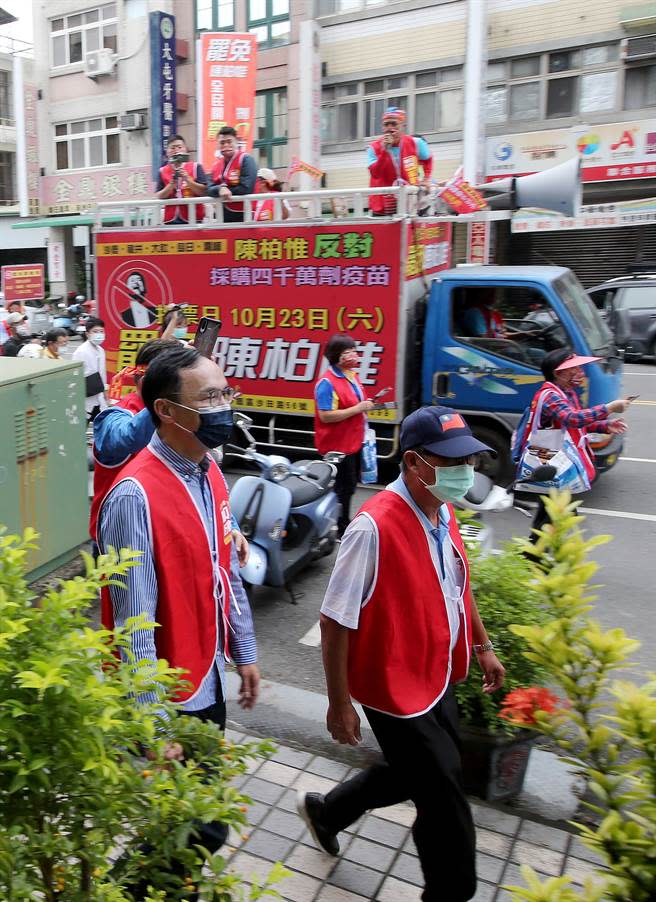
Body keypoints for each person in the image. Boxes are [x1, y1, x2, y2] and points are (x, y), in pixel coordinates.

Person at [298, 405, 505, 902]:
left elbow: (459, 583)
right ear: (412, 462)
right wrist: (339, 703)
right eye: (453, 461)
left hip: (436, 673)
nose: (466, 472)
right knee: (446, 803)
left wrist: (481, 644)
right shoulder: (373, 528)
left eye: (471, 461)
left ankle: (329, 811)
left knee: (425, 771)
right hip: (394, 690)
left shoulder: (442, 508)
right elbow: (335, 620)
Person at [97, 347, 259, 859]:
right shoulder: (133, 495)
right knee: (195, 832)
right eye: (209, 397)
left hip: (207, 675)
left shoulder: (208, 469)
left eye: (226, 392)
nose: (224, 406)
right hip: (170, 699)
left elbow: (224, 569)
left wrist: (245, 650)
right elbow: (134, 625)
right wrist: (152, 727)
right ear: (166, 411)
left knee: (189, 830)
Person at [518, 348, 632, 541]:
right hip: (550, 463)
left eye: (580, 368)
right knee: (555, 516)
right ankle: (538, 558)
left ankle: (538, 557)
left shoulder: (567, 392)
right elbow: (571, 419)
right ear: (558, 373)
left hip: (557, 464)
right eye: (575, 369)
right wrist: (609, 408)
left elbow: (576, 425)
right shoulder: (550, 395)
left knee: (552, 517)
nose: (581, 373)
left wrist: (606, 426)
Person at [314, 334, 374, 537]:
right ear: (335, 356)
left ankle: (343, 521)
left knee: (349, 485)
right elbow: (325, 416)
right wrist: (358, 408)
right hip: (337, 446)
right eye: (347, 352)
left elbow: (357, 403)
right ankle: (340, 527)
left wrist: (364, 406)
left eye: (353, 351)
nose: (353, 355)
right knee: (342, 488)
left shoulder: (351, 375)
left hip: (354, 441)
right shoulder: (327, 382)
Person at [367, 107, 433, 215]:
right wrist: (384, 152)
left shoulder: (416, 143)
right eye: (386, 124)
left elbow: (428, 158)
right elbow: (375, 174)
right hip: (383, 205)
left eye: (394, 124)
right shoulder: (373, 148)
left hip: (410, 202)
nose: (390, 128)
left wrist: (426, 178)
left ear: (403, 126)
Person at [155, 134, 208, 225]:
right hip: (171, 219)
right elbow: (159, 195)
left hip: (194, 218)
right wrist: (171, 184)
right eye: (172, 148)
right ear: (167, 152)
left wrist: (187, 179)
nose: (176, 150)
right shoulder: (162, 171)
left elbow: (203, 192)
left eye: (179, 147)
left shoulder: (196, 167)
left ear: (185, 149)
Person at [207, 126, 257, 223]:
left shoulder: (246, 159)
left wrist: (226, 190)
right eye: (222, 143)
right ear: (218, 145)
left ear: (236, 142)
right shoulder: (216, 165)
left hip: (243, 214)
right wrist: (219, 189)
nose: (226, 145)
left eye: (229, 142)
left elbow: (247, 188)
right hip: (221, 215)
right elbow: (209, 188)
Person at [72, 316, 107, 422]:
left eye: (101, 331)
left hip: (99, 397)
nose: (99, 334)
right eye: (95, 331)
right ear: (87, 334)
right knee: (82, 425)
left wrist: (106, 394)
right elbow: (75, 377)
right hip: (86, 398)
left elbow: (102, 374)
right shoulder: (81, 352)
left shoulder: (101, 350)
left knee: (101, 425)